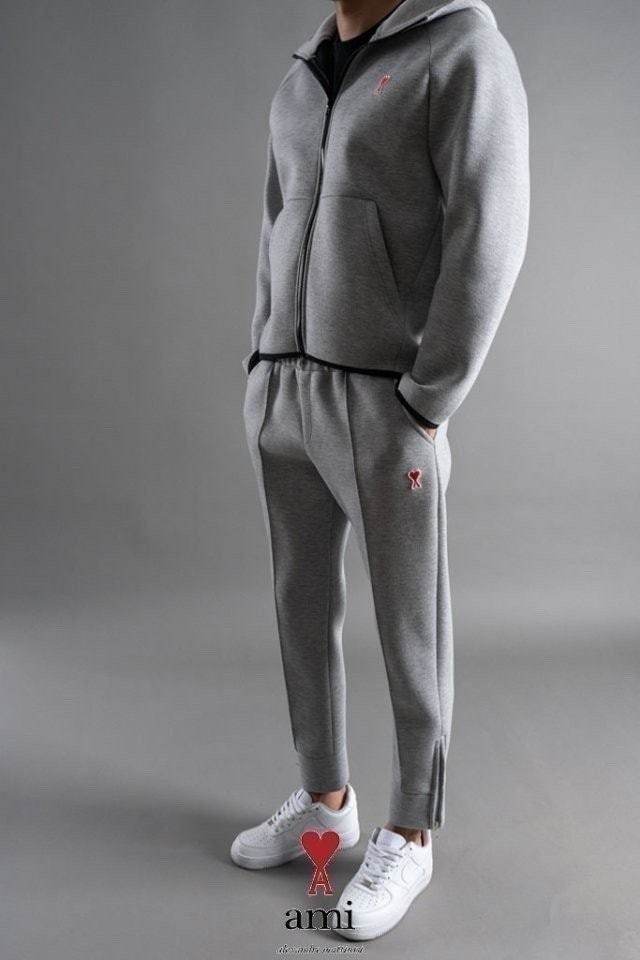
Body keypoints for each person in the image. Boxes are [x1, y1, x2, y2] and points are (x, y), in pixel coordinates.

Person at [231, 0, 529, 941]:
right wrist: (262, 361)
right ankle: (326, 800)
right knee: (299, 604)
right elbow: (277, 224)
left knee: (411, 627)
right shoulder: (301, 78)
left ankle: (411, 831)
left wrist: (427, 399)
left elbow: (492, 224)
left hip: (384, 402)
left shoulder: (462, 49)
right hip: (287, 392)